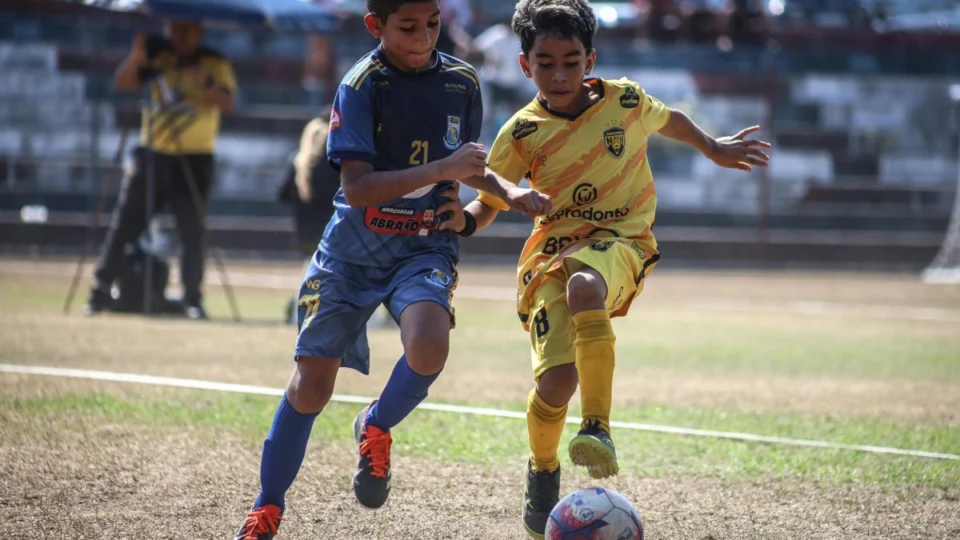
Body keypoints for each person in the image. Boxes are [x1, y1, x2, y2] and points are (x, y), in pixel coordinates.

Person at [233, 1, 543, 538]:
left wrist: (512, 193)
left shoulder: (463, 82)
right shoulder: (361, 85)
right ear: (375, 25)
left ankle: (375, 424)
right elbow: (355, 188)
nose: (423, 37)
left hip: (425, 244)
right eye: (407, 27)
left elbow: (468, 162)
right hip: (353, 252)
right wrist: (443, 169)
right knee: (311, 387)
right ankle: (267, 507)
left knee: (429, 342)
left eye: (432, 24)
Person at [461, 0, 771, 537]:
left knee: (586, 281)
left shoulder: (624, 99)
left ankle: (597, 428)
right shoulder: (519, 132)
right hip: (548, 256)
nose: (559, 74)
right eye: (545, 63)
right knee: (556, 383)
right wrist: (460, 224)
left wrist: (712, 146)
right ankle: (542, 465)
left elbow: (667, 117)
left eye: (571, 61)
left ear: (591, 59)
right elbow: (488, 202)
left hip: (621, 239)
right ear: (523, 65)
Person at [84, 20, 236, 320]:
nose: (179, 36)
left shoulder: (214, 62)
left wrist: (203, 80)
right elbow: (123, 82)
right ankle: (99, 290)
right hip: (154, 153)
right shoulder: (157, 58)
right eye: (174, 29)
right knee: (125, 225)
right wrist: (138, 53)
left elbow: (228, 103)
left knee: (192, 233)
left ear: (199, 32)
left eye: (186, 30)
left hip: (195, 157)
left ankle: (193, 298)